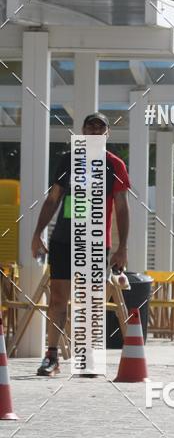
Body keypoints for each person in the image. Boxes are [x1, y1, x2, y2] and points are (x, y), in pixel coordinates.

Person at [30, 113, 130, 376]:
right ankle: (52, 356)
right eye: (90, 126)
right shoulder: (69, 160)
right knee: (58, 300)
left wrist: (122, 247)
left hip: (96, 241)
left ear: (107, 133)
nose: (95, 130)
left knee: (91, 301)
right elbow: (53, 199)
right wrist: (37, 233)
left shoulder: (115, 165)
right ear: (83, 131)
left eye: (101, 127)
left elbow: (121, 206)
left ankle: (87, 356)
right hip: (64, 239)